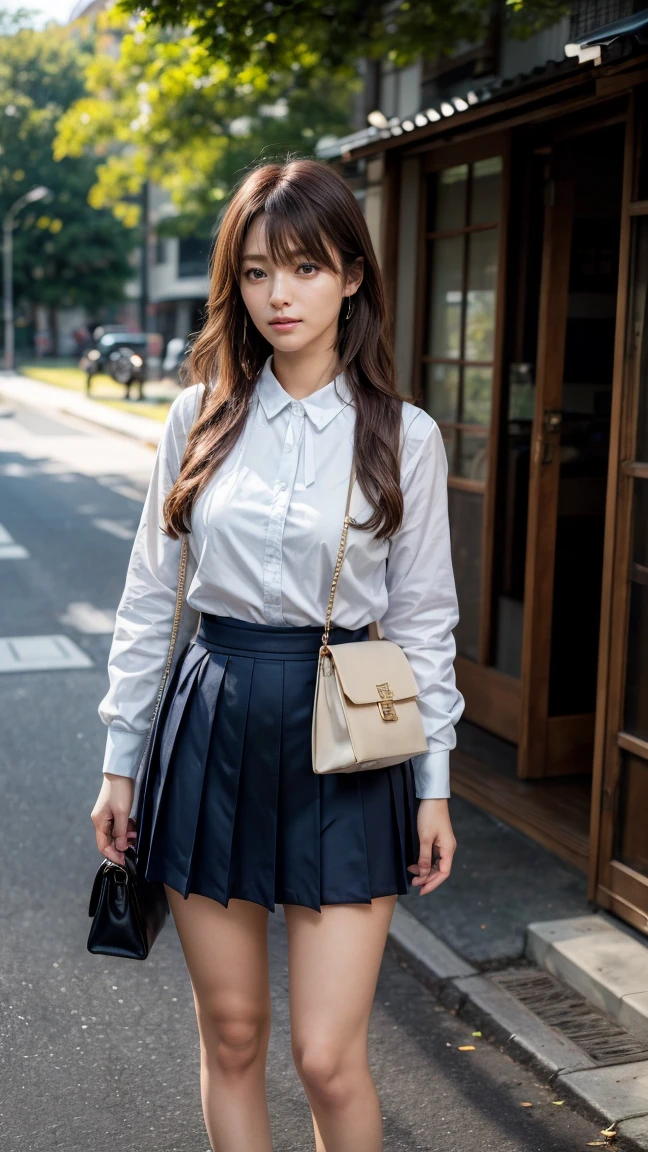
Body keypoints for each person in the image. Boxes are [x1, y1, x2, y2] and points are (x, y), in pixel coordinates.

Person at [90, 158, 464, 1152]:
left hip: (349, 726)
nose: (277, 295)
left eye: (302, 268)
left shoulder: (403, 437)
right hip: (212, 719)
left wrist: (433, 785)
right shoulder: (198, 418)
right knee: (237, 1034)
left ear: (351, 276)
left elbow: (424, 621)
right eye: (255, 273)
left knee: (329, 1058)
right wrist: (121, 759)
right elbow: (147, 598)